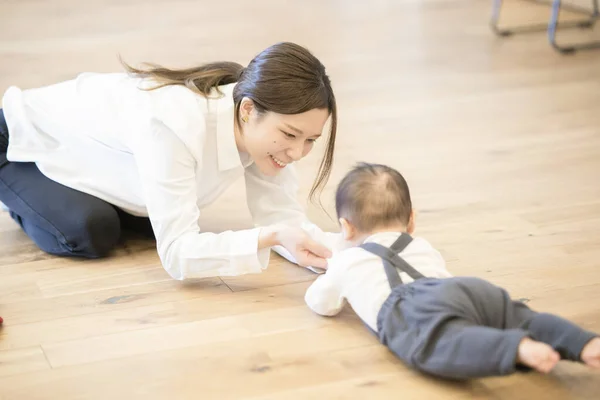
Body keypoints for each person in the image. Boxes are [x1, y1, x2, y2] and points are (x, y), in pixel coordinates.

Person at [0, 42, 343, 280]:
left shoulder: (265, 127)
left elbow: (281, 218)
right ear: (248, 110)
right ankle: (15, 192)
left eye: (311, 140)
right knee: (92, 231)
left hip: (101, 159)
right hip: (17, 136)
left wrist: (346, 252)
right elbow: (178, 256)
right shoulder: (174, 125)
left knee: (152, 223)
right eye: (289, 135)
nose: (298, 153)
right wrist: (271, 237)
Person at [304, 162, 600, 380]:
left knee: (444, 343)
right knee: (519, 316)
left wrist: (335, 266)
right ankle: (583, 342)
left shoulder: (346, 262)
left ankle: (515, 349)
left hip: (409, 307)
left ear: (346, 228)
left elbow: (321, 303)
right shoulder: (421, 245)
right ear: (411, 221)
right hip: (463, 289)